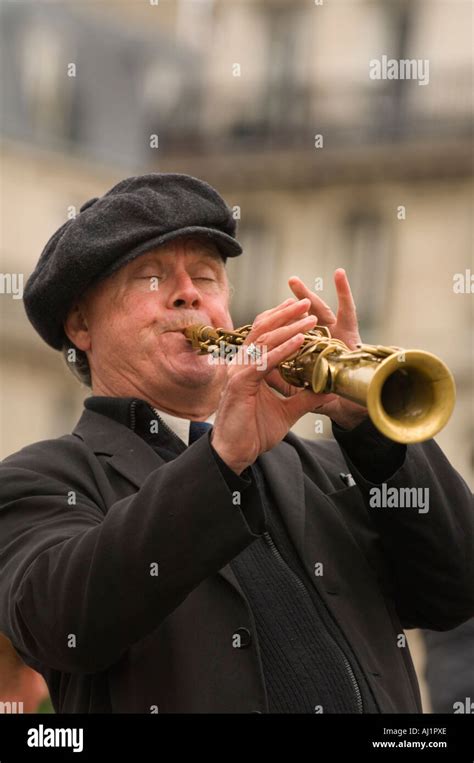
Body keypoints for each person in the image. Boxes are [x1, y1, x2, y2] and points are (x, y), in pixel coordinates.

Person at [0, 173, 472, 714]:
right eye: (152, 280)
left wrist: (374, 436)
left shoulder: (324, 467)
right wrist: (221, 460)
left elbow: (456, 591)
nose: (189, 294)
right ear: (82, 325)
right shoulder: (40, 481)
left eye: (206, 276)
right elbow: (64, 626)